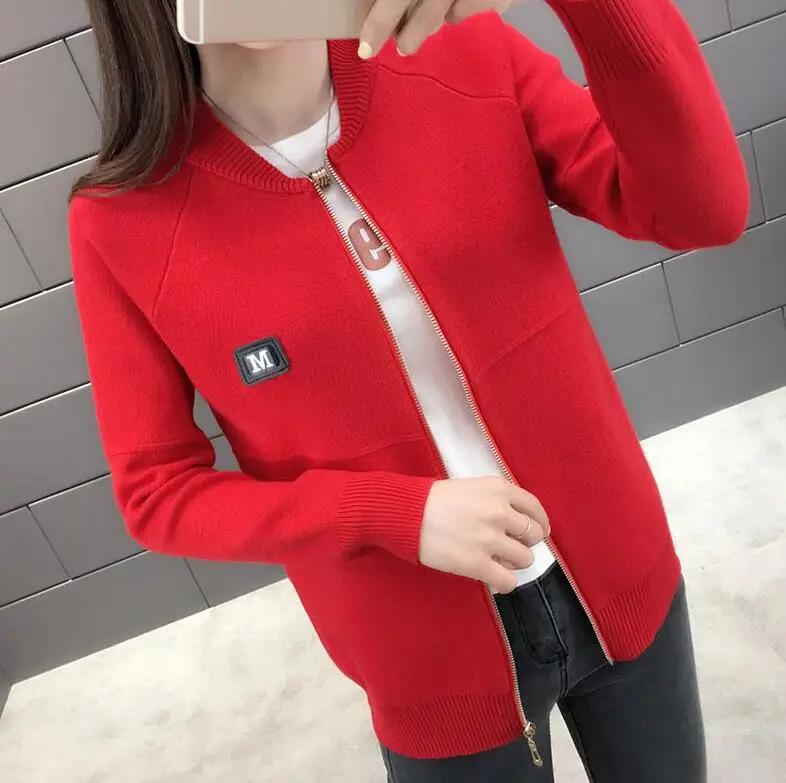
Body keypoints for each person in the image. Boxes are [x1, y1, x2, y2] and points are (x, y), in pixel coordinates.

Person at [69, 0, 748, 780]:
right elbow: (157, 491)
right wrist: (391, 512)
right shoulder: (122, 222)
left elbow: (703, 211)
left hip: (622, 565)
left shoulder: (465, 52)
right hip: (426, 668)